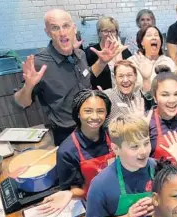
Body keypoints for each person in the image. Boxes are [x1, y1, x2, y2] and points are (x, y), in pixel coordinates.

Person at [14, 9, 121, 145]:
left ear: (74, 28)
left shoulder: (80, 55)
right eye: (55, 28)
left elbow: (86, 78)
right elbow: (21, 102)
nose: (62, 33)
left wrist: (101, 62)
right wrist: (28, 86)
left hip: (92, 127)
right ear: (47, 32)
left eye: (66, 26)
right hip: (66, 135)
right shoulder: (39, 63)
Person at [85, 115, 159, 217]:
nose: (143, 151)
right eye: (134, 146)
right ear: (115, 149)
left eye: (146, 143)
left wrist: (159, 206)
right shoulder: (101, 184)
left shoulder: (157, 167)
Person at [38, 89, 115, 216]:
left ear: (107, 113)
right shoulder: (67, 150)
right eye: (88, 111)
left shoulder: (114, 136)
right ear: (78, 113)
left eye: (100, 111)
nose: (95, 117)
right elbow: (77, 189)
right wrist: (70, 194)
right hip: (93, 205)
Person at [85, 16, 132, 90]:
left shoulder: (124, 51)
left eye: (112, 31)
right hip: (101, 94)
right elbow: (86, 78)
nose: (109, 34)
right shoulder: (91, 52)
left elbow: (130, 75)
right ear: (99, 33)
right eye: (105, 31)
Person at [127, 25, 176, 93]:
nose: (154, 38)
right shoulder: (132, 62)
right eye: (149, 35)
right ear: (142, 42)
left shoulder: (168, 62)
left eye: (156, 35)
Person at [103, 60, 148, 126]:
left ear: (135, 77)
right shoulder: (107, 96)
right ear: (115, 78)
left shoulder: (138, 98)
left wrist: (146, 79)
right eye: (121, 76)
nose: (125, 80)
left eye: (129, 75)